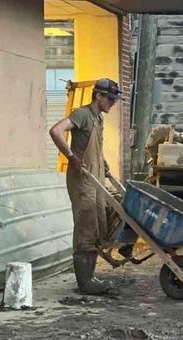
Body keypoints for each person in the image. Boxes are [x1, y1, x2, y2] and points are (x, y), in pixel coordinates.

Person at [49, 78, 122, 295]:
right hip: (82, 179)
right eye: (110, 99)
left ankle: (90, 277)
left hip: (95, 176)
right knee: (85, 227)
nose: (113, 103)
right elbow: (56, 131)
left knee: (97, 224)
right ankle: (85, 282)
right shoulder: (82, 114)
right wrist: (71, 157)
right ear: (98, 96)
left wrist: (103, 163)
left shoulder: (98, 118)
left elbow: (94, 147)